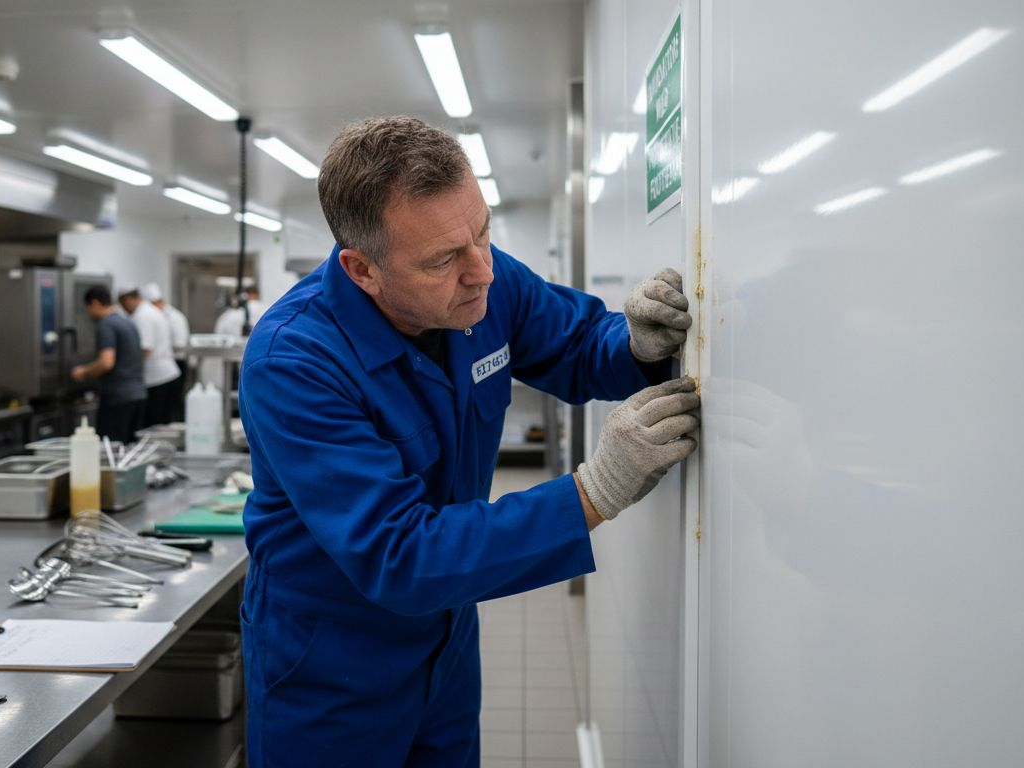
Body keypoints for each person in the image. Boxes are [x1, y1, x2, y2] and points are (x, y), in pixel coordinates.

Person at [238, 116, 699, 767]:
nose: (480, 270)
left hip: (446, 643)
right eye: (442, 260)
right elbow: (399, 555)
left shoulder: (485, 277)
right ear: (362, 269)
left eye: (482, 232)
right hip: (331, 670)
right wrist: (594, 492)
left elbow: (572, 343)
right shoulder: (295, 361)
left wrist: (634, 343)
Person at [71, 285, 146, 443]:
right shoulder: (127, 322)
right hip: (137, 394)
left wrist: (83, 372)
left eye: (88, 308)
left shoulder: (106, 325)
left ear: (95, 303)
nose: (89, 313)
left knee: (111, 449)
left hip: (118, 397)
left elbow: (106, 362)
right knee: (129, 450)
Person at [118, 287, 181, 429]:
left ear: (128, 300)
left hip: (157, 378)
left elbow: (145, 348)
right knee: (163, 425)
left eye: (123, 305)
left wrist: (127, 368)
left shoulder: (142, 316)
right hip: (167, 374)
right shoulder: (151, 311)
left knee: (154, 426)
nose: (124, 309)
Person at [143, 282, 189, 423]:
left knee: (169, 410)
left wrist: (163, 350)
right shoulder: (157, 315)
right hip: (169, 364)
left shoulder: (175, 317)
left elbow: (180, 344)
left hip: (177, 362)